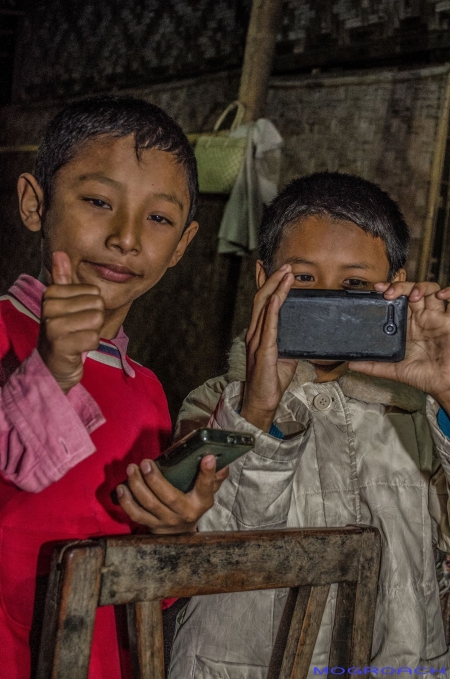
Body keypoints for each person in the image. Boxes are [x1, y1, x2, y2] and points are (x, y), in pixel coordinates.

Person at [163, 172, 450, 678]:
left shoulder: (421, 415)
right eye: (304, 279)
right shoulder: (216, 405)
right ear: (263, 280)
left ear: (397, 286)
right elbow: (204, 547)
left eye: (356, 284)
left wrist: (447, 392)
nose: (329, 302)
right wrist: (256, 413)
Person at [0, 95, 227, 679]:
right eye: (99, 201)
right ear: (34, 203)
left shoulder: (147, 390)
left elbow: (151, 592)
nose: (126, 237)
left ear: (181, 245)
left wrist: (172, 528)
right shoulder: (3, 332)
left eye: (158, 218)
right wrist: (52, 370)